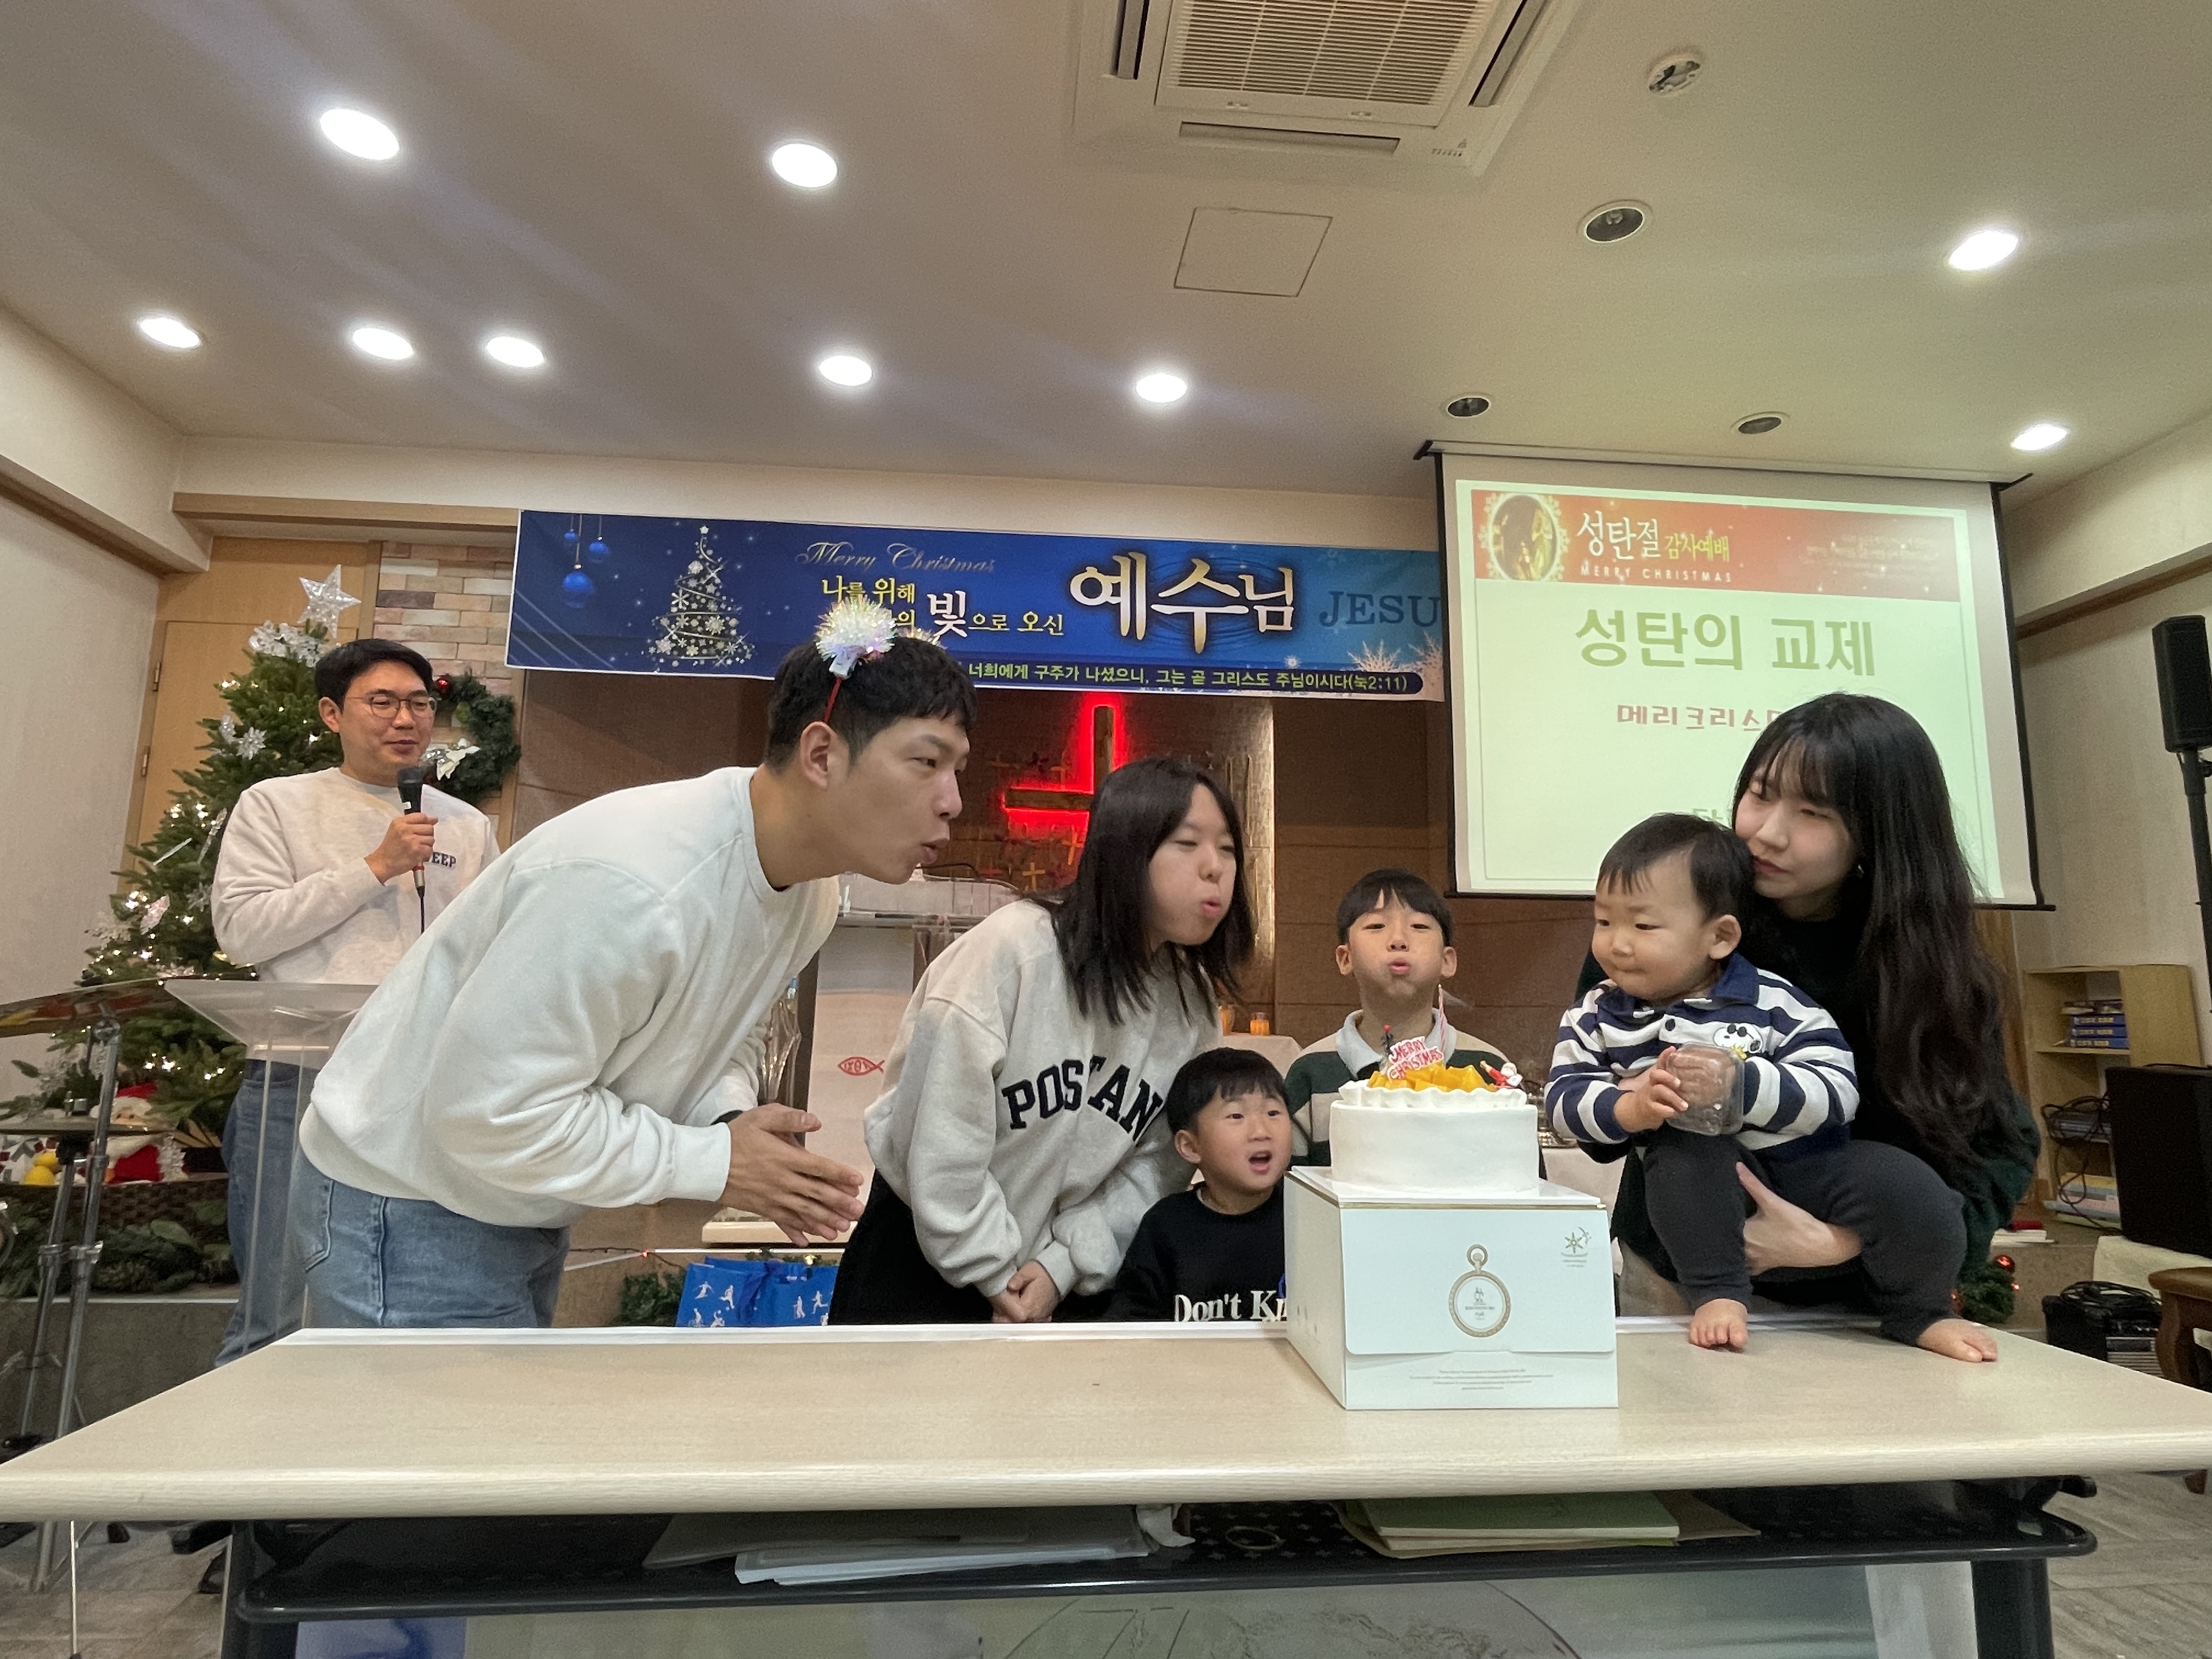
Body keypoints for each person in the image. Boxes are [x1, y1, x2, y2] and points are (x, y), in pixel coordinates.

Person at [291, 604, 974, 1328]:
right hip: (410, 1199)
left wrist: (729, 1122)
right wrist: (713, 1162)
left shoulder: (811, 893)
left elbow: (722, 1030)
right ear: (821, 755)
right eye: (926, 763)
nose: (952, 802)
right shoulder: (634, 882)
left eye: (957, 769)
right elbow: (490, 1112)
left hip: (518, 1194)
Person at [1587, 693, 2039, 1358]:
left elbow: (1999, 1149)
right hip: (1680, 1283)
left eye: (1814, 813)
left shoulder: (1931, 971)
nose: (1767, 832)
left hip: (1870, 1299)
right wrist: (1630, 1102)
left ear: (1878, 831)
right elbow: (1597, 1113)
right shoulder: (1662, 919)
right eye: (1760, 795)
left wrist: (1843, 1242)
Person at [828, 756, 1255, 1325]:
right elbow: (939, 1134)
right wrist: (992, 1268)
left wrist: (1062, 1265)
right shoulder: (1013, 952)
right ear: (1125, 851)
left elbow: (1161, 1163)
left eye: (1227, 849)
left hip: (1063, 1283)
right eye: (1188, 843)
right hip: (925, 1260)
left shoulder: (1190, 1003)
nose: (1215, 869)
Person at [209, 638, 498, 1361]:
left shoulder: (465, 824)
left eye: (420, 703)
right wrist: (376, 866)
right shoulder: (276, 805)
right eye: (383, 702)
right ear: (333, 714)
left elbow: (490, 947)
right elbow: (243, 932)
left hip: (420, 1087)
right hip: (301, 1076)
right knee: (277, 1306)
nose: (407, 719)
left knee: (399, 1295)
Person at [1550, 815, 1891, 1353]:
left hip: (1792, 1210)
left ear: (1720, 936)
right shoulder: (1596, 1011)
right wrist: (1630, 1107)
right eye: (1604, 921)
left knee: (1901, 1183)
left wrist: (1744, 1086)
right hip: (1668, 1256)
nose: (1617, 944)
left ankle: (1924, 1311)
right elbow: (1564, 1099)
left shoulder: (1772, 1002)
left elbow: (1836, 1090)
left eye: (1643, 926)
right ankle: (1717, 1292)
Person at [1283, 868, 1510, 1167]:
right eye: (1376, 926)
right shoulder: (1310, 1072)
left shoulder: (1487, 1067)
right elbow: (1292, 1187)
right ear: (1345, 958)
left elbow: (1525, 1179)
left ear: (1447, 961)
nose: (1399, 940)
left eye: (1419, 926)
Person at [1104, 1047, 1291, 1323]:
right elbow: (1133, 1324)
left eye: (1273, 1112)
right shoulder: (1167, 1225)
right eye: (1236, 1116)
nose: (1261, 1131)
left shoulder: (1305, 1217)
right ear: (1191, 1146)